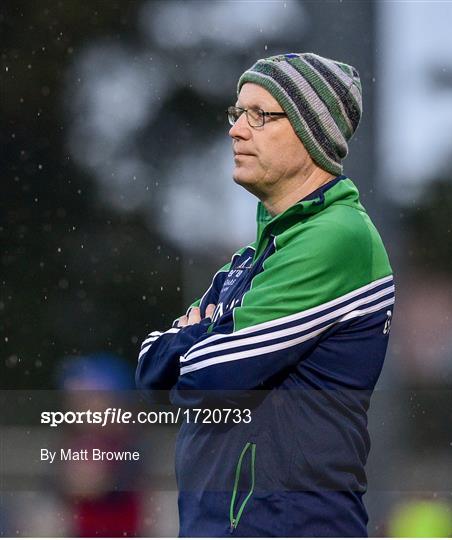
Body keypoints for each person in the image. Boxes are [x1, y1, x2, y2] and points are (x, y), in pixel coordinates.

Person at [136, 52, 394, 537]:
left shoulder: (336, 237)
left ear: (312, 133)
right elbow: (151, 371)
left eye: (261, 115)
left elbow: (210, 376)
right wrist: (202, 344)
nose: (236, 130)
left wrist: (197, 340)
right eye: (237, 114)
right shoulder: (251, 259)